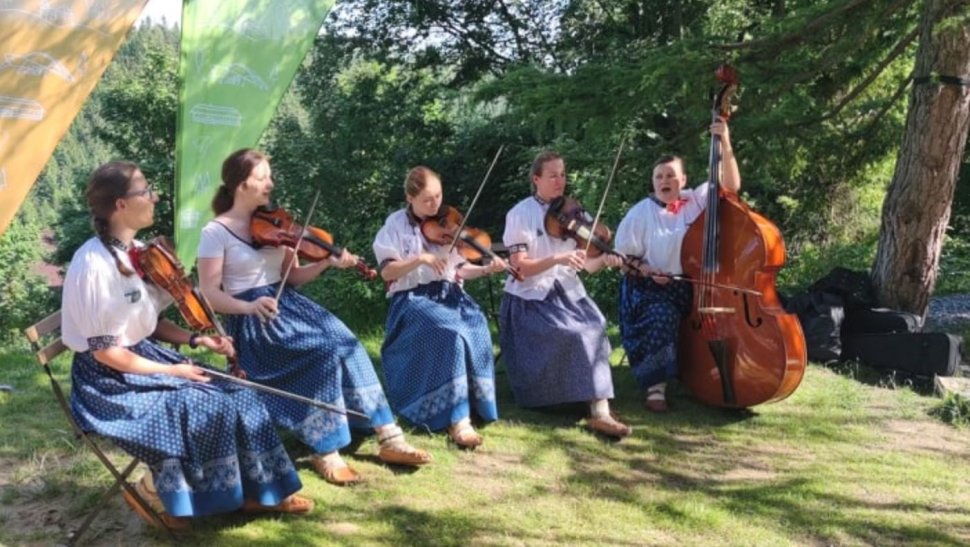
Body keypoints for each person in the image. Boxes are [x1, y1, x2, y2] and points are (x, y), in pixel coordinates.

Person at [62, 161, 313, 529]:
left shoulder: (139, 251)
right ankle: (152, 491)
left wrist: (197, 338)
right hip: (108, 380)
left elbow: (148, 323)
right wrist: (173, 370)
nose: (154, 197)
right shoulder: (94, 265)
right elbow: (106, 352)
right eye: (146, 191)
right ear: (120, 204)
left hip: (141, 358)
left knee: (239, 390)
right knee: (203, 403)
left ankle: (261, 490)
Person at [197, 148, 432, 487]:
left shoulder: (274, 223)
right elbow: (209, 293)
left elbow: (291, 277)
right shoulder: (215, 232)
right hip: (254, 321)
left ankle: (389, 436)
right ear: (241, 184)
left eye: (270, 176)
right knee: (321, 352)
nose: (270, 184)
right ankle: (326, 449)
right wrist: (249, 306)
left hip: (289, 305)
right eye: (262, 178)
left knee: (347, 342)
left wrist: (325, 262)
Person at [499, 151, 631, 438]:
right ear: (536, 179)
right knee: (575, 333)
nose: (560, 181)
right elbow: (520, 268)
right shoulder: (520, 214)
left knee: (595, 325)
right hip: (530, 298)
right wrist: (557, 259)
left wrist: (605, 260)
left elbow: (588, 266)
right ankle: (590, 407)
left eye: (562, 175)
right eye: (552, 176)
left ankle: (598, 407)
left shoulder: (574, 212)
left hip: (567, 293)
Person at [372, 166, 504, 448]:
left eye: (438, 196)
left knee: (476, 323)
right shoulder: (394, 225)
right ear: (410, 198)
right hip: (413, 299)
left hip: (449, 294)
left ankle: (474, 404)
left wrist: (485, 269)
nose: (435, 205)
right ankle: (458, 421)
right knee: (449, 332)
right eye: (427, 200)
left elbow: (459, 269)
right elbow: (387, 272)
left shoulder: (449, 222)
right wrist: (420, 258)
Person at [614, 118, 740, 412]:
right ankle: (655, 387)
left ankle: (710, 375)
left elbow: (732, 186)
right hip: (649, 288)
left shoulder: (696, 200)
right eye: (659, 176)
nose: (664, 181)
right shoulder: (640, 213)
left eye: (670, 176)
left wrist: (725, 140)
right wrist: (646, 270)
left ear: (683, 180)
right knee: (662, 315)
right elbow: (622, 261)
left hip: (694, 285)